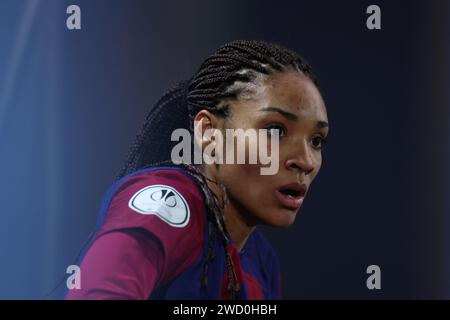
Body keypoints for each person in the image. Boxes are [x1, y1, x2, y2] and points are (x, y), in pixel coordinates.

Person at [66, 40, 329, 300]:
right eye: (275, 130)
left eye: (316, 140)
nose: (305, 161)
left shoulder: (263, 262)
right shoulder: (168, 206)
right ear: (209, 132)